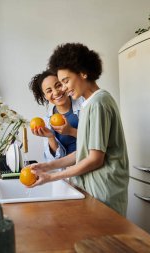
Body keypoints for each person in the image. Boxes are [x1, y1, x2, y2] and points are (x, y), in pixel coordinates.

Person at [29, 43, 129, 216]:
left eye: (65, 81)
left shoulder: (98, 103)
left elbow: (95, 159)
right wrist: (47, 166)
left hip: (103, 191)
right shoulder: (90, 104)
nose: (64, 88)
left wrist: (52, 177)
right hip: (92, 189)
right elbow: (83, 152)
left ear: (83, 72)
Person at [28, 70, 84, 164]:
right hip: (68, 173)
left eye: (58, 85)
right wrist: (50, 137)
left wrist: (71, 131)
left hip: (90, 168)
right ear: (45, 96)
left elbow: (98, 139)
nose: (56, 92)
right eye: (49, 91)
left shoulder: (84, 103)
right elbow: (56, 161)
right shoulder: (46, 122)